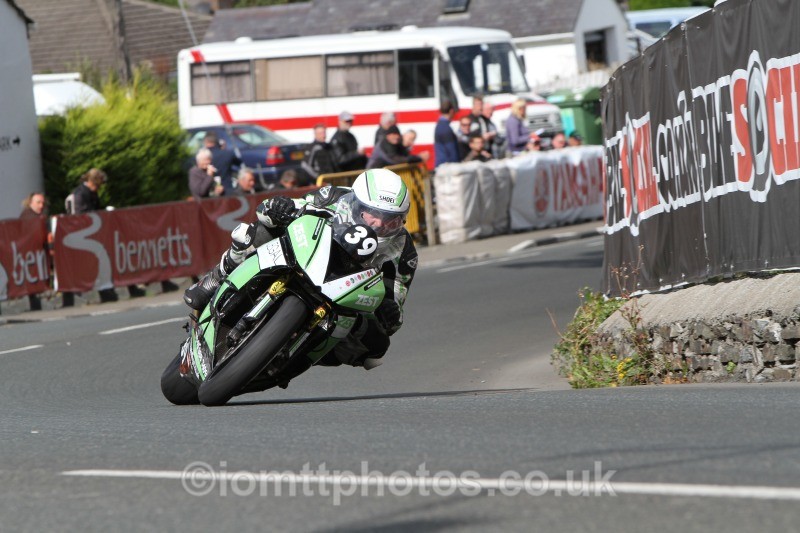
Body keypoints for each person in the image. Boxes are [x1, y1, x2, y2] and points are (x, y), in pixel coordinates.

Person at [183, 168, 418, 370]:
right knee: (254, 232)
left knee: (378, 346)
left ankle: (308, 351)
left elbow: (397, 297)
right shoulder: (334, 196)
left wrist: (390, 310)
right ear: (357, 203)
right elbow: (283, 208)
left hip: (348, 292)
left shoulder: (404, 251)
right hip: (309, 255)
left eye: (391, 219)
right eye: (374, 214)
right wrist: (279, 207)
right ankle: (216, 277)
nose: (380, 224)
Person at [19, 192, 48, 311]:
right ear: (30, 203)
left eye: (42, 203)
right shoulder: (29, 217)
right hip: (30, 254)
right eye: (38, 202)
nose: (41, 206)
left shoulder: (38, 216)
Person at [434, 99, 460, 167]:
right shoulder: (445, 128)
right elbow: (451, 150)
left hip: (442, 165)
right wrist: (457, 164)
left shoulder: (439, 125)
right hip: (447, 166)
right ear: (451, 111)